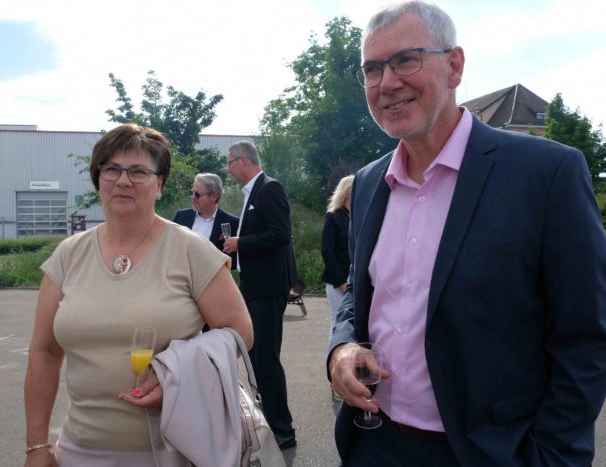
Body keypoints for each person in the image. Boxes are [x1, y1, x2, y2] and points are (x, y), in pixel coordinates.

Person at [327, 2, 606, 466]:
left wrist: (552, 455)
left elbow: (586, 335)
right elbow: (360, 292)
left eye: (405, 60)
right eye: (372, 69)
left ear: (454, 66)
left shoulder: (546, 173)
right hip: (374, 444)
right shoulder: (370, 182)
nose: (387, 82)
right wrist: (341, 346)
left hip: (489, 452)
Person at [24, 123, 253, 467]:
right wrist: (37, 446)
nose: (123, 181)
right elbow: (44, 351)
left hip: (173, 450)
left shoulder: (190, 250)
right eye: (111, 169)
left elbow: (241, 331)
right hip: (79, 450)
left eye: (138, 172)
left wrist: (176, 372)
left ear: (159, 184)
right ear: (98, 178)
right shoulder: (69, 255)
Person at [223, 141, 297, 450]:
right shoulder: (253, 192)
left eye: (230, 162)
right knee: (255, 356)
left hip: (267, 288)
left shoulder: (269, 188)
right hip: (253, 286)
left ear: (243, 160)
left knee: (266, 359)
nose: (228, 169)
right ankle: (267, 421)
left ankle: (283, 430)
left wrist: (241, 243)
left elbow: (281, 235)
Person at [173, 172, 239, 269]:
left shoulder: (232, 222)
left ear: (214, 196)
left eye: (197, 194)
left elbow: (235, 260)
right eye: (192, 192)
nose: (192, 197)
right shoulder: (181, 217)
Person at [321, 174, 353, 338]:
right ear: (347, 193)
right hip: (338, 280)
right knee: (338, 323)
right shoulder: (333, 216)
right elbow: (327, 251)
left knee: (354, 325)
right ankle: (334, 354)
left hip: (355, 279)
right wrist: (341, 281)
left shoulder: (358, 216)